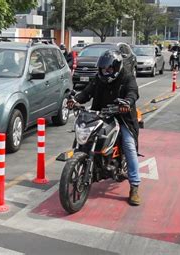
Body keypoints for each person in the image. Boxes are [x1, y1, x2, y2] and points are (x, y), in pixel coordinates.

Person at [67, 50, 141, 206]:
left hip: (123, 118)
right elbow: (86, 93)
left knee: (129, 145)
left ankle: (134, 186)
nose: (105, 72)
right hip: (100, 114)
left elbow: (133, 93)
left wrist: (127, 103)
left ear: (116, 67)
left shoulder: (127, 78)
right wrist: (75, 100)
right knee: (84, 136)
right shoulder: (98, 80)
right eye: (102, 69)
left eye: (108, 69)